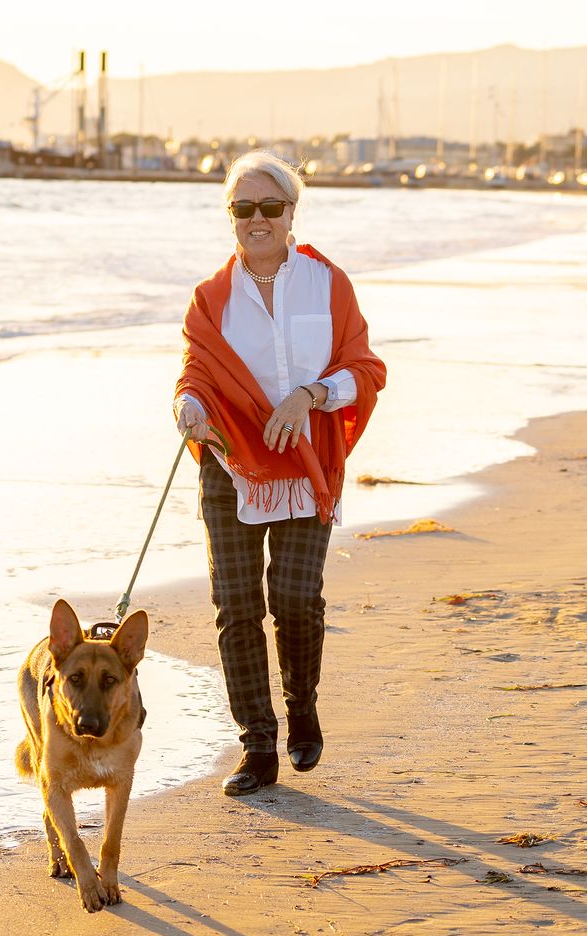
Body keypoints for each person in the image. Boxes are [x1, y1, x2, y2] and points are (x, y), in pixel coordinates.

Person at [173, 151, 387, 797]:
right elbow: (196, 373)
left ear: (292, 212)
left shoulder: (328, 283)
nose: (257, 219)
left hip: (305, 462)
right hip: (232, 465)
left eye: (271, 206)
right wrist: (187, 407)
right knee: (236, 606)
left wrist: (310, 395)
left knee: (294, 597)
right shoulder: (211, 297)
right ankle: (257, 744)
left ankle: (303, 708)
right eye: (244, 207)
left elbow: (365, 368)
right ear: (230, 215)